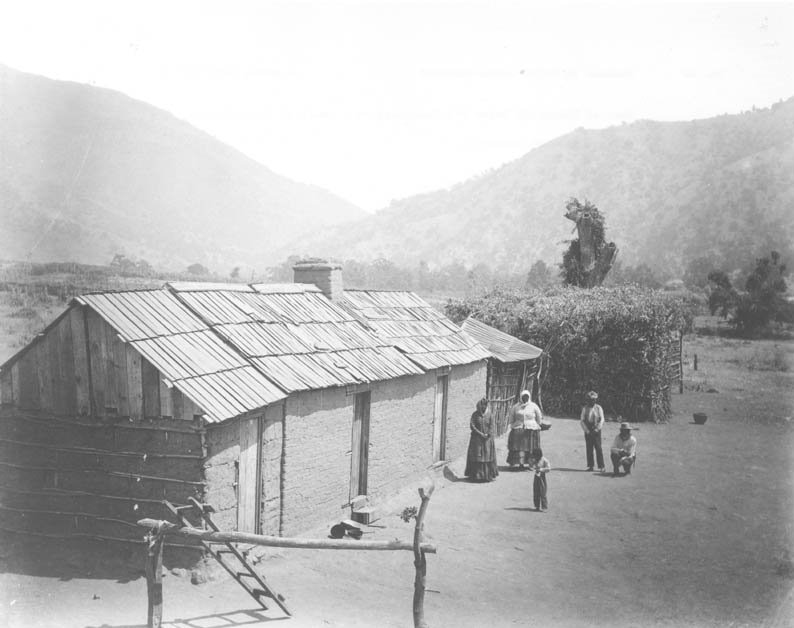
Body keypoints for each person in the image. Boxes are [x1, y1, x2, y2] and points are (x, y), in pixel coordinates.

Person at [506, 390, 543, 469]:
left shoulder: (533, 406)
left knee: (531, 448)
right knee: (519, 448)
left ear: (529, 397)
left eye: (527, 397)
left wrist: (537, 425)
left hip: (531, 430)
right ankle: (520, 463)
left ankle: (532, 464)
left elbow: (539, 416)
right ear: (521, 397)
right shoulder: (516, 407)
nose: (525, 398)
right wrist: (513, 425)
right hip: (519, 428)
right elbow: (511, 417)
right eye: (523, 397)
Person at [464, 398, 499, 482]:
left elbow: (492, 425)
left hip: (487, 439)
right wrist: (480, 434)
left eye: (485, 406)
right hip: (477, 439)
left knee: (487, 456)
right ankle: (476, 476)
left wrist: (488, 434)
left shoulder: (490, 415)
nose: (483, 407)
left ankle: (487, 476)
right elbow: (472, 425)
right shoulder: (475, 415)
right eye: (481, 406)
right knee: (477, 456)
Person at [580, 390, 605, 472]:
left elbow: (602, 420)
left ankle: (601, 466)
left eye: (593, 400)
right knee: (589, 448)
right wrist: (587, 431)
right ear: (587, 400)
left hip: (597, 429)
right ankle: (590, 466)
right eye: (590, 400)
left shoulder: (599, 408)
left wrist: (597, 429)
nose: (592, 401)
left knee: (598, 448)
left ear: (596, 400)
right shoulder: (585, 408)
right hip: (588, 430)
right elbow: (582, 421)